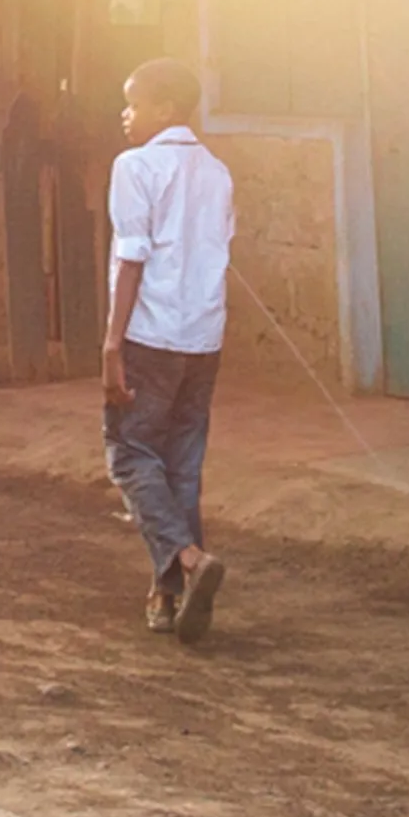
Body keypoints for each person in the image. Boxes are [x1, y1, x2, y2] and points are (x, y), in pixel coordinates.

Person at [102, 55, 236, 642]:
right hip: (203, 338)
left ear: (167, 109)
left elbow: (133, 257)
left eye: (133, 102)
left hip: (150, 335)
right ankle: (169, 596)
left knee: (129, 454)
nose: (124, 114)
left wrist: (111, 344)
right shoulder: (218, 172)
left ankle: (184, 559)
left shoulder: (135, 165)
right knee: (182, 463)